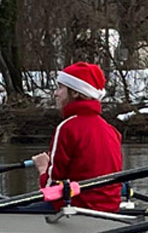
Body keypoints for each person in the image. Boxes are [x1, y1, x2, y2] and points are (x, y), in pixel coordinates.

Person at [29, 62, 124, 212]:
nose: (55, 93)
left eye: (60, 87)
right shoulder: (111, 130)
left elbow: (50, 188)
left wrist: (43, 169)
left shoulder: (67, 128)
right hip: (111, 209)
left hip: (76, 209)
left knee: (9, 211)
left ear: (75, 93)